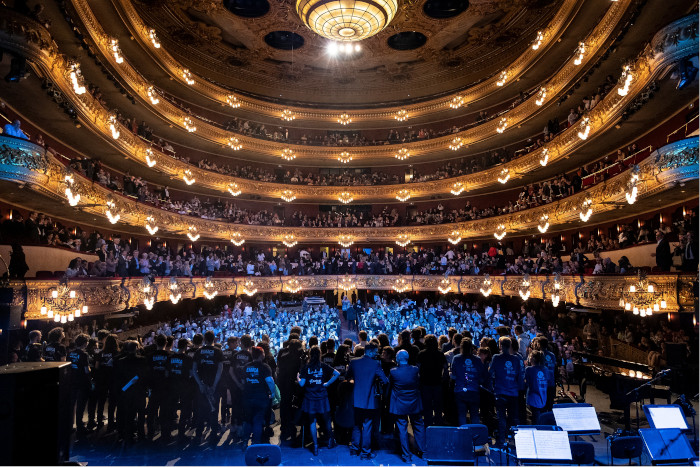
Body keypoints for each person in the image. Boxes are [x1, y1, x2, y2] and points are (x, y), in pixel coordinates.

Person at [347, 344, 388, 460]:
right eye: (376, 352)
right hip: (369, 401)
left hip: (356, 399)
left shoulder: (354, 362)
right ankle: (365, 453)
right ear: (370, 352)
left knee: (356, 425)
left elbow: (347, 376)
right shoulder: (376, 364)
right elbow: (384, 380)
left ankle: (354, 450)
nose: (377, 354)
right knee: (367, 426)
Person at [298, 346, 339, 455]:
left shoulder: (306, 367)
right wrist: (327, 384)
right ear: (320, 354)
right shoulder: (323, 366)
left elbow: (302, 384)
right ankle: (330, 441)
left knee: (312, 422)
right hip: (322, 397)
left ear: (310, 355)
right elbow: (337, 374)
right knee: (326, 420)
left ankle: (315, 446)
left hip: (310, 398)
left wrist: (298, 377)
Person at [389, 349, 425, 463]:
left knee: (402, 429)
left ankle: (406, 456)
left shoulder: (393, 371)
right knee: (418, 426)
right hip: (414, 403)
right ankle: (423, 452)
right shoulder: (415, 370)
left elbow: (389, 386)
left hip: (400, 404)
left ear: (398, 359)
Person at [192, 330, 224, 446]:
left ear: (204, 339)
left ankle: (198, 436)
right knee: (214, 412)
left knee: (201, 412)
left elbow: (194, 370)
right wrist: (214, 386)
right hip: (214, 387)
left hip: (201, 387)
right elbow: (220, 370)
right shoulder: (218, 351)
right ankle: (213, 436)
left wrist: (200, 384)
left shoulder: (199, 351)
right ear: (214, 339)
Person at [489, 336, 522, 445]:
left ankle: (502, 440)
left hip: (500, 392)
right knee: (513, 418)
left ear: (501, 346)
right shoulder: (516, 359)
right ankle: (513, 441)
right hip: (513, 392)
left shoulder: (496, 358)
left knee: (501, 417)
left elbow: (490, 373)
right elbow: (519, 376)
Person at [241, 346, 275, 447]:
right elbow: (269, 381)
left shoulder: (246, 367)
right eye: (263, 353)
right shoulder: (265, 367)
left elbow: (243, 381)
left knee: (247, 420)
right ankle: (256, 443)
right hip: (261, 398)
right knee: (258, 420)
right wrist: (272, 393)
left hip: (248, 397)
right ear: (261, 355)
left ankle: (245, 442)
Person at [114, 340, 147, 443]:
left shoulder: (120, 361)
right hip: (139, 391)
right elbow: (143, 376)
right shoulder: (142, 360)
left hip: (127, 392)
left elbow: (118, 378)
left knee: (129, 414)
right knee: (141, 414)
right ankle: (141, 435)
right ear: (136, 348)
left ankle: (129, 435)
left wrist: (124, 388)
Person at [451, 338, 487, 425]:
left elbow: (453, 375)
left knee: (462, 415)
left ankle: (463, 436)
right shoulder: (477, 360)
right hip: (474, 390)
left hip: (460, 390)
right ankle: (475, 436)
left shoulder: (456, 358)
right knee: (474, 415)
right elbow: (482, 375)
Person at [166, 338, 195, 442]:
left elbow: (166, 373)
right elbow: (191, 374)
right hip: (184, 387)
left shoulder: (170, 357)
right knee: (184, 411)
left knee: (171, 410)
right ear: (186, 346)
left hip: (172, 387)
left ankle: (167, 434)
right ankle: (181, 434)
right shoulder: (188, 358)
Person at [416, 334, 447, 426]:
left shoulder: (421, 354)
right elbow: (445, 368)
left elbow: (417, 368)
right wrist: (443, 379)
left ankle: (428, 425)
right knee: (438, 406)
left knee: (427, 406)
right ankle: (438, 424)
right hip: (437, 382)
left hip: (425, 383)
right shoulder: (440, 354)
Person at [146, 334, 170, 442]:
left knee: (151, 412)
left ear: (156, 343)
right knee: (165, 413)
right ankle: (165, 434)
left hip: (153, 387)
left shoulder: (150, 356)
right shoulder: (170, 355)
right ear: (166, 343)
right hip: (166, 388)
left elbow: (147, 372)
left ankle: (150, 433)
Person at [68, 334, 91, 437]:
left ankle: (69, 425)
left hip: (72, 381)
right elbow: (86, 370)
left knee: (72, 404)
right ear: (85, 343)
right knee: (80, 406)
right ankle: (80, 427)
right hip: (82, 382)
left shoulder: (70, 353)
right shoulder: (84, 354)